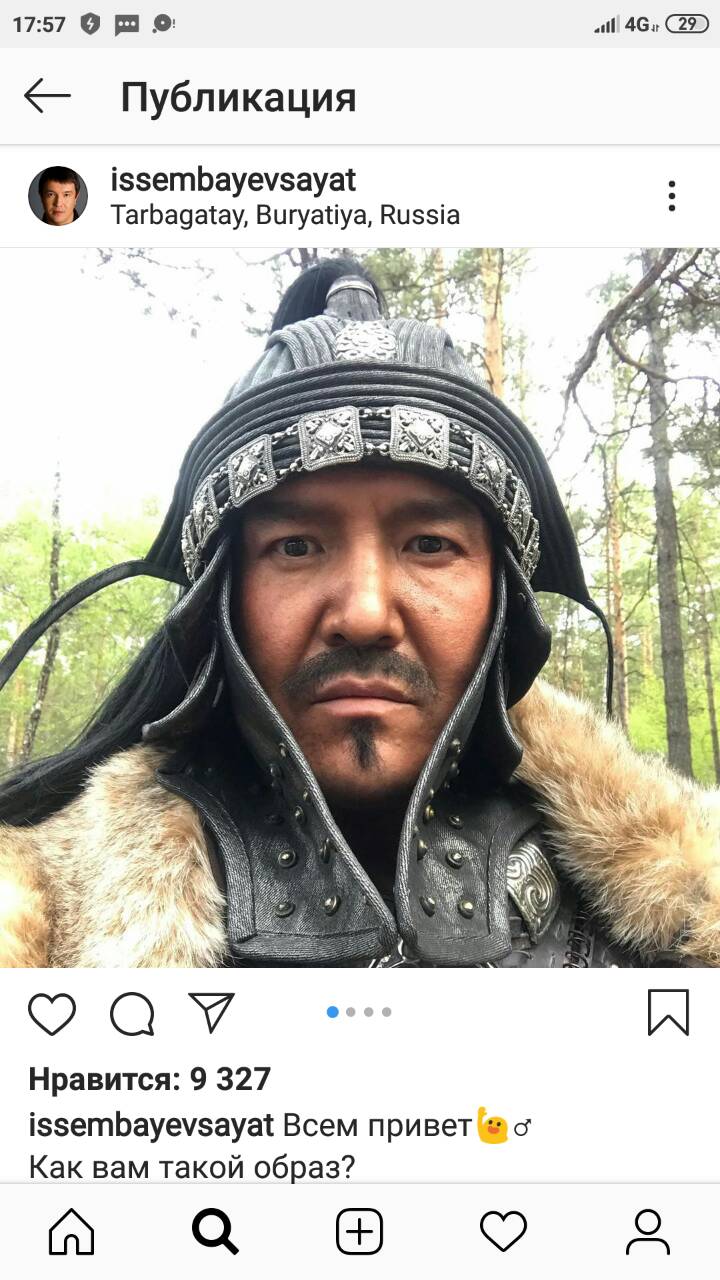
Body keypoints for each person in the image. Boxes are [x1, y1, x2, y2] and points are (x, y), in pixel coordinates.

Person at [1, 258, 719, 968]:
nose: (366, 614)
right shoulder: (34, 925)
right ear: (218, 601)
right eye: (296, 546)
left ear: (505, 603)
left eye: (430, 544)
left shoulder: (692, 917)